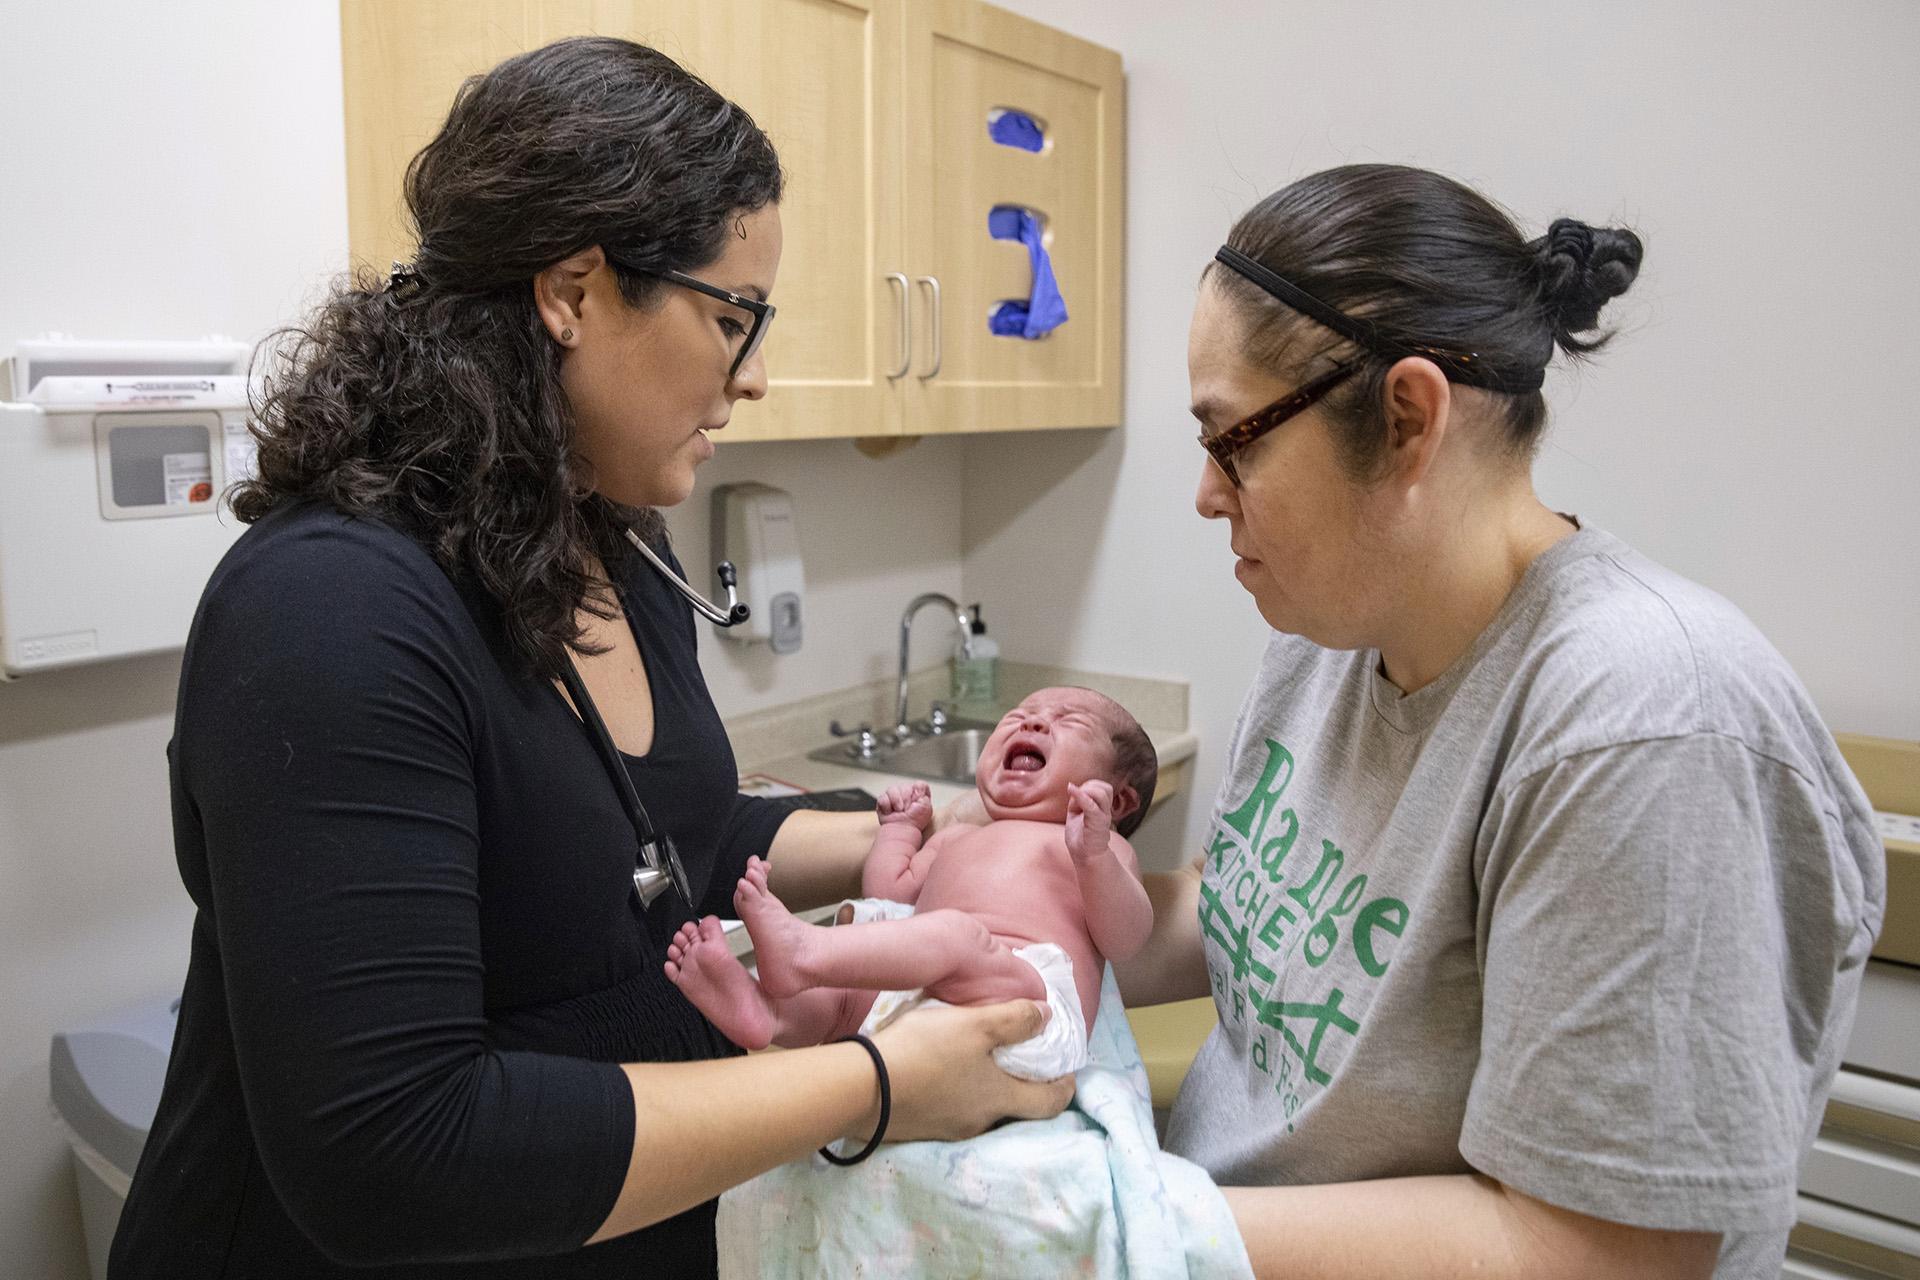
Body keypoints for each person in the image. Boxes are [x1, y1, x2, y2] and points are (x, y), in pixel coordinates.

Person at [109, 37, 1069, 1279]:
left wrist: (931, 835)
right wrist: (873, 1081)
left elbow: (662, 846)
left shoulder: (609, 537)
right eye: (734, 317)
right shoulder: (332, 610)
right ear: (570, 290)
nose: (758, 375)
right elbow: (394, 1148)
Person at [1117, 163, 1885, 1280]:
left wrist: (1118, 1223)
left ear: (1410, 417)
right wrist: (1014, 905)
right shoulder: (1333, 627)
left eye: (1233, 438)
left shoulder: (1642, 721)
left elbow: (1601, 1250)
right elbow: (1257, 917)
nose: (1206, 491)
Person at [667, 687, 1159, 1083]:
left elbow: (1126, 938)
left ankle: (803, 953)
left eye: (1070, 721)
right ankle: (769, 1014)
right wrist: (900, 831)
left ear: (1117, 802)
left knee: (954, 936)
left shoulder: (1098, 850)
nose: (1031, 722)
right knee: (849, 987)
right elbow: (891, 894)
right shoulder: (959, 837)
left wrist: (1093, 855)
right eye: (1019, 713)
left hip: (1029, 1006)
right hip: (919, 997)